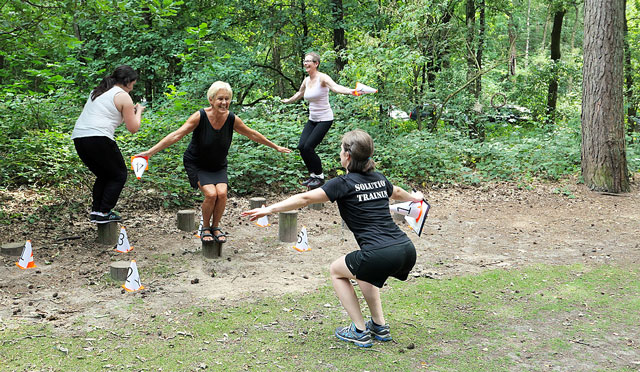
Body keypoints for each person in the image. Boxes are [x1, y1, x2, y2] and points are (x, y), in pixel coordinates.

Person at [242, 129, 423, 347]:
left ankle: (359, 330)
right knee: (364, 272)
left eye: (341, 149)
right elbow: (399, 191)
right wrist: (417, 199)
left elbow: (306, 197)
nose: (340, 153)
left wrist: (268, 209)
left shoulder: (343, 183)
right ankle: (379, 326)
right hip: (406, 249)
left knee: (337, 271)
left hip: (380, 254)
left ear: (347, 155)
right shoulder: (379, 179)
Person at [136, 81, 291, 243]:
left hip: (218, 164)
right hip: (197, 163)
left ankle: (215, 227)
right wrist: (149, 152)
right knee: (211, 194)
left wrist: (276, 147)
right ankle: (205, 227)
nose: (224, 103)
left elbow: (252, 134)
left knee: (222, 194)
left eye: (227, 99)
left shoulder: (232, 119)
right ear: (211, 100)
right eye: (220, 99)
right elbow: (177, 135)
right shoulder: (200, 116)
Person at [71, 65, 145, 223]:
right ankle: (104, 211)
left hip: (79, 138)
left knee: (105, 175)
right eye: (133, 84)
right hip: (98, 137)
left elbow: (114, 116)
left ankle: (97, 212)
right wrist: (138, 111)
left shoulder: (98, 92)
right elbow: (133, 128)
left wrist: (130, 111)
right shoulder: (123, 96)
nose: (132, 88)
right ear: (127, 81)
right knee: (119, 174)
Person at [281, 52, 360, 189]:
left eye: (308, 61)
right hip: (313, 119)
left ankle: (319, 176)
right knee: (301, 147)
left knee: (309, 147)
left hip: (325, 119)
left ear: (316, 64)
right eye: (304, 61)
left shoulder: (322, 78)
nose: (305, 64)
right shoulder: (306, 80)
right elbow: (300, 93)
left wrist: (352, 91)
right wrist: (288, 101)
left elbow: (336, 88)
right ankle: (313, 175)